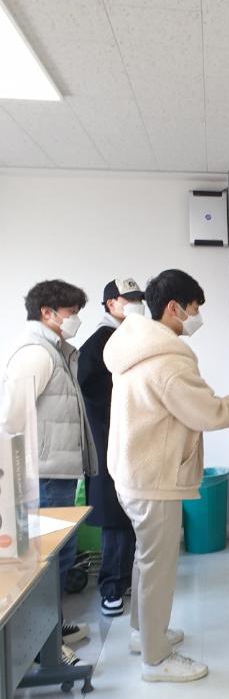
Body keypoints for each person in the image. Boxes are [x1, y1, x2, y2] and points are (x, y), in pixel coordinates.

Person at [103, 269, 229, 683]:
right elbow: (208, 413)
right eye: (194, 308)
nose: (196, 317)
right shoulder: (167, 359)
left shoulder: (133, 345)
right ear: (174, 307)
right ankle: (155, 659)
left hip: (131, 471)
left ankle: (144, 634)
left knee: (146, 561)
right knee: (158, 568)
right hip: (154, 476)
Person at [1, 279, 98, 666]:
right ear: (47, 312)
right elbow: (11, 420)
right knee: (45, 560)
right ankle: (42, 645)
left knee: (59, 553)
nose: (75, 319)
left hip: (56, 470)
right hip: (40, 475)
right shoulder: (35, 354)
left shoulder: (56, 351)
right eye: (72, 312)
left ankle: (52, 627)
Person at [77, 278, 146, 617]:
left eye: (138, 298)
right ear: (110, 304)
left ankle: (125, 580)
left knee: (130, 515)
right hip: (109, 444)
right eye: (128, 299)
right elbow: (97, 395)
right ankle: (111, 588)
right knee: (116, 519)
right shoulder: (99, 343)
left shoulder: (128, 336)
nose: (136, 304)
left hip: (131, 443)